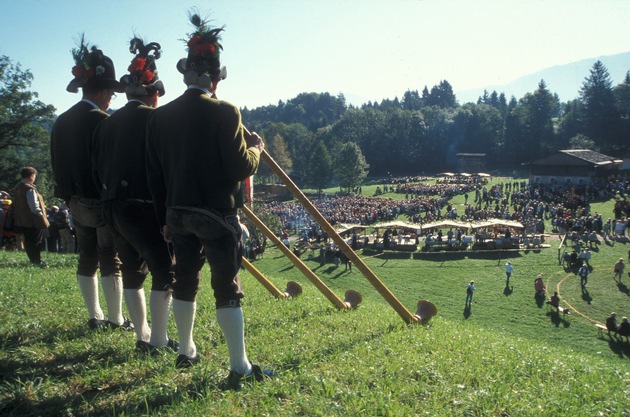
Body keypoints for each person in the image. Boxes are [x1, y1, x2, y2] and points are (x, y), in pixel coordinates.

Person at [145, 13, 270, 388]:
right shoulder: (226, 111)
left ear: (187, 74)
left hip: (176, 212)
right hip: (216, 214)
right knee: (227, 286)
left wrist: (163, 215)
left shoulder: (160, 117)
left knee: (185, 279)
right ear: (215, 78)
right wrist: (257, 149)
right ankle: (239, 367)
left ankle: (186, 350)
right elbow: (239, 166)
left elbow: (156, 174)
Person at [92, 37, 177, 352]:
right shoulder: (155, 119)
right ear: (153, 94)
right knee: (164, 270)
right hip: (142, 207)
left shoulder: (106, 124)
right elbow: (164, 167)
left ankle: (143, 334)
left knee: (131, 269)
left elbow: (97, 168)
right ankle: (157, 340)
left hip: (111, 206)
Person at [50, 36, 131, 331]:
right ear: (106, 89)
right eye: (112, 92)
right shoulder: (101, 120)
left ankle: (94, 315)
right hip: (100, 200)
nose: (112, 98)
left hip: (73, 200)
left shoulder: (61, 120)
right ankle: (116, 318)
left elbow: (57, 162)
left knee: (87, 257)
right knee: (110, 259)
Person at [10, 167, 49, 267]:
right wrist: (41, 216)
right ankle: (37, 261)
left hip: (22, 220)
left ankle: (33, 260)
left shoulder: (17, 188)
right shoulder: (29, 189)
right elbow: (34, 206)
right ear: (32, 176)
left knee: (28, 241)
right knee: (36, 241)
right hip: (33, 220)